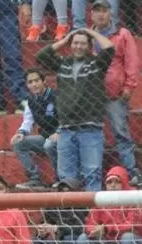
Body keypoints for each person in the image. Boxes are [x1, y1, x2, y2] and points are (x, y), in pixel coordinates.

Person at [35, 28, 115, 193]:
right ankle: (70, 215)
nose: (78, 46)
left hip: (90, 128)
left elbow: (109, 48)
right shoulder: (63, 63)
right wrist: (64, 40)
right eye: (75, 43)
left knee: (92, 173)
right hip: (66, 129)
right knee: (66, 177)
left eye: (83, 43)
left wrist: (91, 32)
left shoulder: (96, 64)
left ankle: (93, 215)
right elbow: (41, 56)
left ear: (89, 45)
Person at [91, 0, 140, 183]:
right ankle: (96, 174)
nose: (101, 15)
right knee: (94, 135)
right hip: (91, 96)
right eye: (97, 11)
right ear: (92, 14)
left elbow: (132, 61)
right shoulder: (87, 36)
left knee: (121, 133)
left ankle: (131, 171)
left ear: (110, 13)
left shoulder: (122, 34)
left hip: (116, 94)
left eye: (104, 11)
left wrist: (129, 86)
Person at [77, 165, 142, 244]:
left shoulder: (134, 199)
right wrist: (94, 230)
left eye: (117, 181)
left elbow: (131, 226)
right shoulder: (101, 201)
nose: (112, 185)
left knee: (127, 237)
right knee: (83, 238)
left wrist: (106, 229)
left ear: (124, 182)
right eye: (109, 182)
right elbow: (90, 223)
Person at [12, 69, 59, 190]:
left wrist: (59, 132)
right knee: (19, 143)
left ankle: (60, 179)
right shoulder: (31, 100)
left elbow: (67, 117)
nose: (34, 84)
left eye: (37, 80)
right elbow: (28, 120)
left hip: (63, 135)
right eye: (30, 82)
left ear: (44, 81)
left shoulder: (56, 96)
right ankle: (35, 179)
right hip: (46, 136)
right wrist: (21, 133)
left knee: (49, 145)